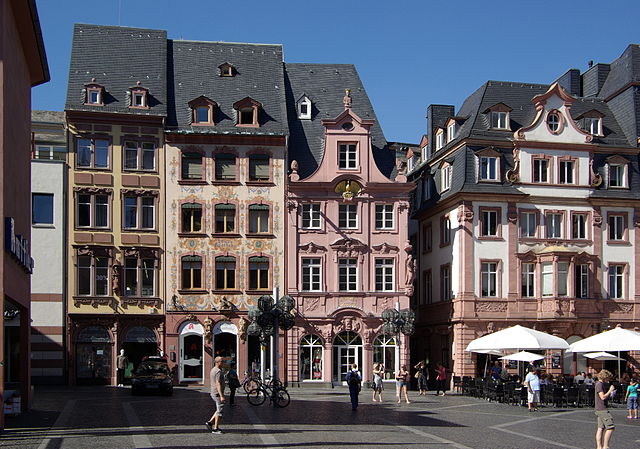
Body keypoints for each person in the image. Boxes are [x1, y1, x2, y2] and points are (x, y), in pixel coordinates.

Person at [594, 369, 616, 449]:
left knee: (600, 428)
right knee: (610, 427)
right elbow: (602, 397)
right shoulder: (599, 385)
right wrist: (610, 390)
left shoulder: (599, 384)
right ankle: (605, 446)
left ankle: (599, 447)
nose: (609, 380)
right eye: (608, 378)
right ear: (605, 377)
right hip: (602, 409)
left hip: (599, 409)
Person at [206, 356, 225, 434]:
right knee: (219, 410)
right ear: (217, 362)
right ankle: (215, 428)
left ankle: (210, 422)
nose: (223, 363)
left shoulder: (213, 370)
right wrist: (221, 395)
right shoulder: (217, 371)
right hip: (217, 393)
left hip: (214, 392)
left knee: (218, 408)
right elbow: (218, 383)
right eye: (221, 361)